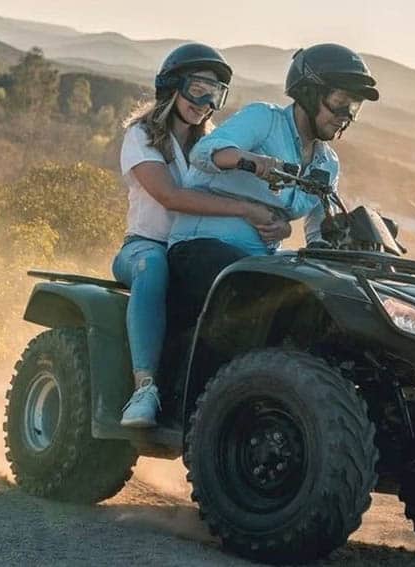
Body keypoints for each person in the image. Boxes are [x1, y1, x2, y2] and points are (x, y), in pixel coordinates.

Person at [114, 43, 285, 428]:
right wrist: (243, 210)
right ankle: (144, 388)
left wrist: (279, 221)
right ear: (173, 85)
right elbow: (170, 196)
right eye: (198, 87)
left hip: (190, 249)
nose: (205, 100)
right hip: (145, 245)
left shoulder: (212, 147)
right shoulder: (141, 136)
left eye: (215, 93)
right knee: (152, 266)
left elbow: (251, 191)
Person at [167, 43, 379, 325]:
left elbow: (318, 231)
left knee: (319, 307)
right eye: (341, 101)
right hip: (199, 248)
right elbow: (203, 153)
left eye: (355, 107)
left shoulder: (327, 164)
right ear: (310, 92)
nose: (347, 115)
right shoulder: (264, 119)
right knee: (257, 301)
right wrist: (252, 161)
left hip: (259, 263)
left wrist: (341, 245)